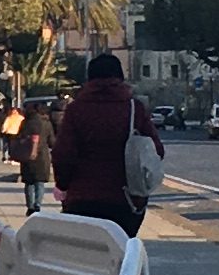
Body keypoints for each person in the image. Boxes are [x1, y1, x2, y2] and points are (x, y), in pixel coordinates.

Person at [51, 50, 165, 234]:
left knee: (87, 249)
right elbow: (156, 150)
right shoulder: (134, 109)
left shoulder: (76, 110)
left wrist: (63, 185)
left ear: (89, 79)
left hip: (82, 197)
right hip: (125, 199)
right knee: (122, 248)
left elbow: (63, 154)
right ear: (120, 77)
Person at [9, 97, 52, 215]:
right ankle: (38, 204)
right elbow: (52, 140)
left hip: (27, 155)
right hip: (42, 155)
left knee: (29, 182)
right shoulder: (46, 123)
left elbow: (19, 136)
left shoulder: (25, 122)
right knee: (40, 182)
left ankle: (30, 206)